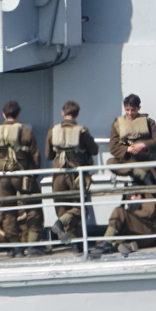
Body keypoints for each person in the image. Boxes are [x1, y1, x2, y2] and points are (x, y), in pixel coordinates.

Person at [0, 101, 41, 250]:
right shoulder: (25, 131)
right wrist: (32, 175)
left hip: (3, 178)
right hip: (23, 176)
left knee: (8, 212)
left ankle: (16, 248)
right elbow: (36, 157)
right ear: (18, 114)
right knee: (34, 209)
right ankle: (32, 246)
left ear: (3, 114)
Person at [45, 100, 97, 241]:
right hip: (76, 175)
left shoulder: (53, 131)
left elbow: (48, 154)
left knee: (62, 208)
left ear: (63, 113)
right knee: (79, 207)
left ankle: (73, 241)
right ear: (77, 114)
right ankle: (61, 225)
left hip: (58, 175)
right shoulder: (82, 131)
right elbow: (94, 150)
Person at [109, 94, 156, 185]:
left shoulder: (149, 122)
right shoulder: (117, 124)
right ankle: (138, 172)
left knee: (152, 192)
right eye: (127, 110)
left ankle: (142, 174)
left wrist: (143, 145)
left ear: (139, 108)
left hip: (145, 162)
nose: (130, 113)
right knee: (110, 162)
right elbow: (113, 147)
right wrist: (128, 149)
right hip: (127, 162)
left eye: (133, 110)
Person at [105, 190, 156, 254]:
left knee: (119, 211)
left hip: (150, 231)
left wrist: (130, 213)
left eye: (130, 196)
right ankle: (129, 245)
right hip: (140, 236)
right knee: (116, 241)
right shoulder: (131, 207)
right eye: (127, 197)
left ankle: (105, 242)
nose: (128, 200)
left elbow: (148, 213)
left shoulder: (147, 200)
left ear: (138, 196)